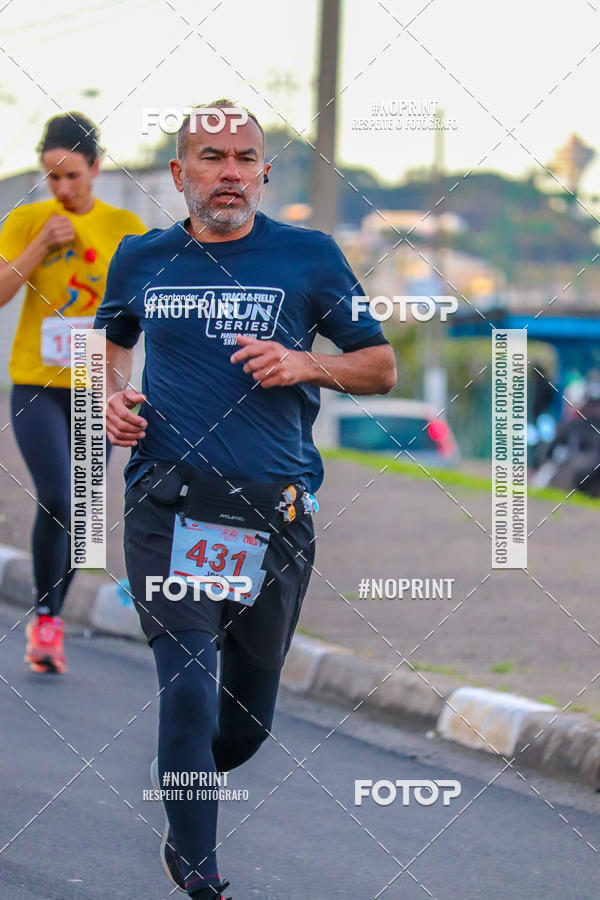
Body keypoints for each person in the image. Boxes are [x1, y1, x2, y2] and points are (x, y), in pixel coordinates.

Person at [95, 99, 396, 899]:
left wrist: (307, 365)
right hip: (170, 505)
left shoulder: (309, 257)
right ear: (179, 173)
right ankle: (198, 869)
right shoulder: (141, 258)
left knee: (244, 725)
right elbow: (114, 340)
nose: (229, 173)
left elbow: (379, 367)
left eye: (244, 159)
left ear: (264, 171)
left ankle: (183, 763)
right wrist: (112, 396)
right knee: (188, 681)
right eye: (211, 157)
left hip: (274, 516)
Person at [0, 112, 146, 673]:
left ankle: (51, 622)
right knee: (58, 497)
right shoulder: (28, 220)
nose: (61, 189)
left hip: (93, 383)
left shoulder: (124, 226)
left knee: (80, 514)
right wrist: (40, 244)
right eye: (52, 178)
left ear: (95, 170)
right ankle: (45, 621)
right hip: (36, 380)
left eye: (72, 177)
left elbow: (140, 303)